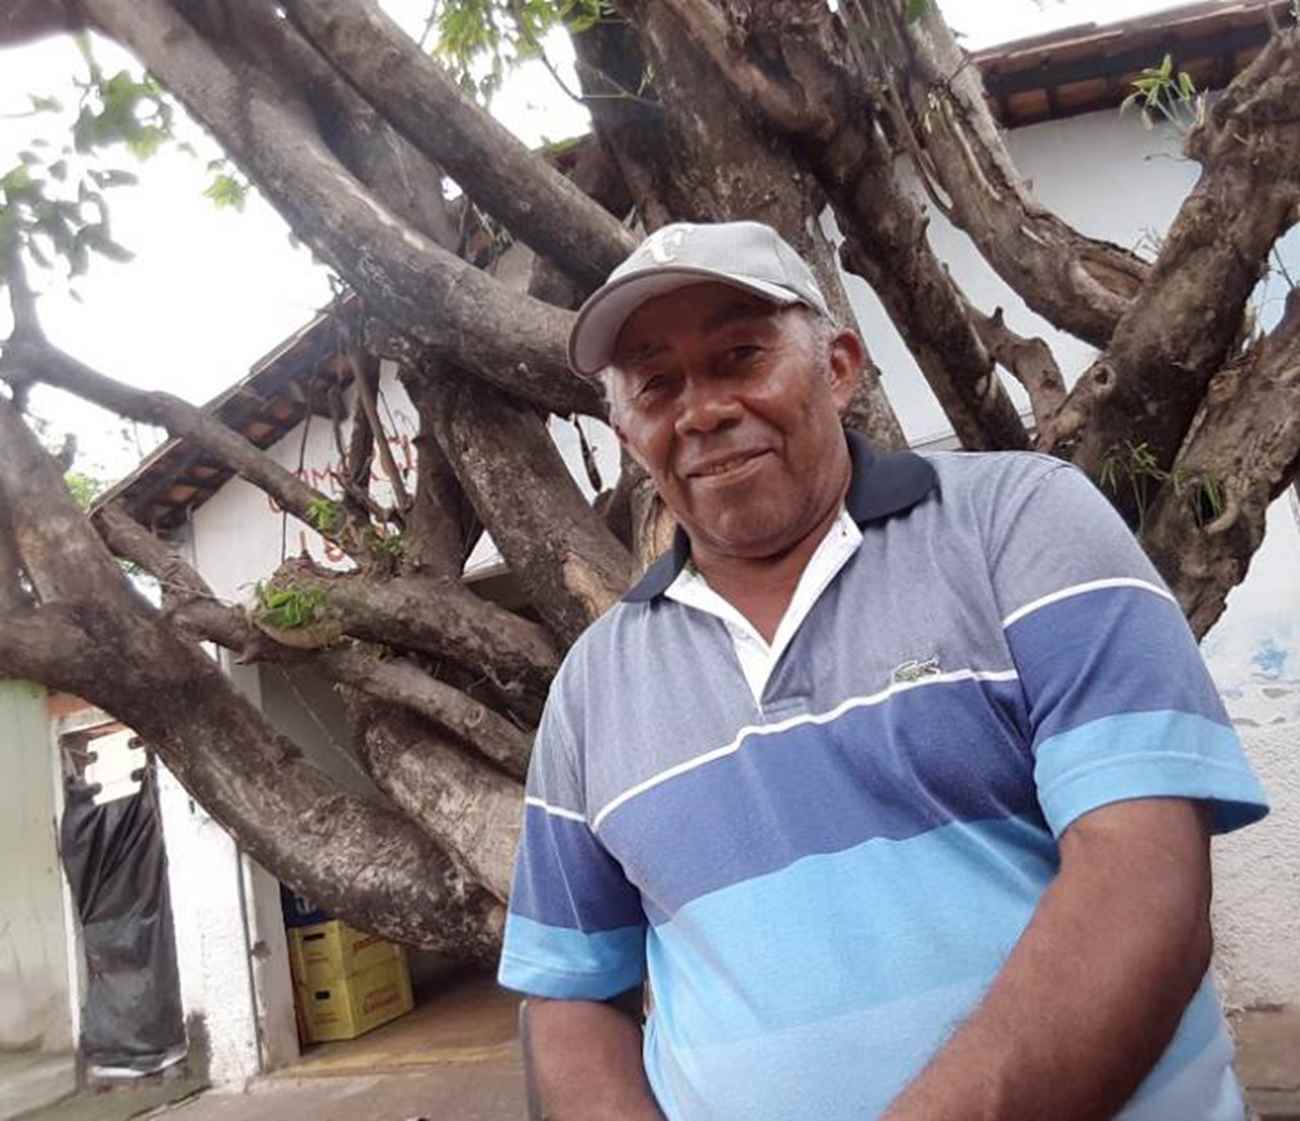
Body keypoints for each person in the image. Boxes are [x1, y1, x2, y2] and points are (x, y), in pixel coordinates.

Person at [496, 220, 1270, 1121]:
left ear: (839, 367)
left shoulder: (1020, 525)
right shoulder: (593, 689)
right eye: (658, 385)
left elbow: (1144, 877)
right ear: (630, 436)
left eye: (740, 356)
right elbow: (571, 994)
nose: (701, 411)